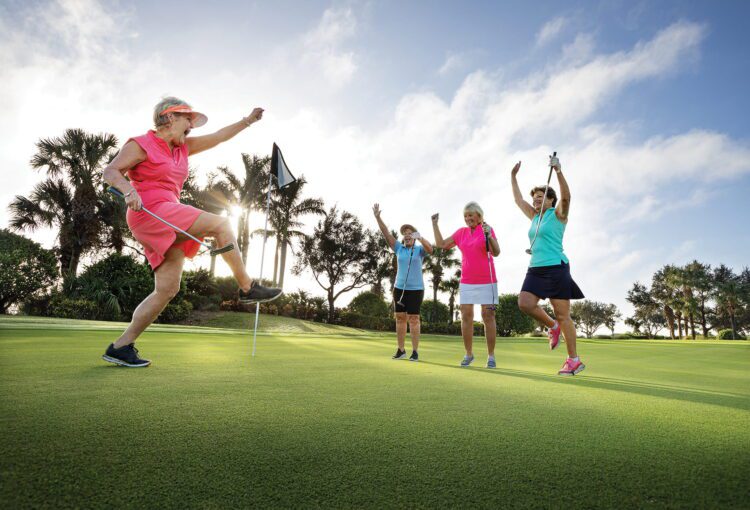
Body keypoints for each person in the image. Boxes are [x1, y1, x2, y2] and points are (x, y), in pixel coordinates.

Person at [101, 97, 282, 367]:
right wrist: (129, 190)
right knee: (221, 224)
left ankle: (120, 346)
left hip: (169, 212)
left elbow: (219, 136)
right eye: (188, 120)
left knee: (167, 289)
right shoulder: (141, 144)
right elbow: (111, 171)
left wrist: (248, 121)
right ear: (169, 117)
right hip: (149, 211)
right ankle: (247, 287)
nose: (191, 127)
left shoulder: (182, 148)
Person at [511, 155, 586, 376]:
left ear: (551, 200)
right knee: (525, 303)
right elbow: (517, 200)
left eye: (541, 197)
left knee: (563, 315)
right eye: (534, 198)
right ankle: (552, 327)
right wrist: (513, 177)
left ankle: (574, 360)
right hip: (535, 268)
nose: (535, 201)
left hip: (556, 268)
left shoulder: (558, 215)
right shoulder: (534, 217)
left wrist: (559, 171)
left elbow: (567, 197)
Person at [431, 202, 500, 368]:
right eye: (466, 216)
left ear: (479, 216)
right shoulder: (461, 233)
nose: (468, 218)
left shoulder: (487, 229)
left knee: (488, 316)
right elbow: (441, 244)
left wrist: (489, 235)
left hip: (487, 279)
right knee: (466, 316)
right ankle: (469, 354)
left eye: (471, 215)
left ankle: (491, 356)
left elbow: (496, 252)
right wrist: (435, 224)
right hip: (467, 280)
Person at [373, 203, 433, 361]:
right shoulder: (399, 248)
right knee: (400, 318)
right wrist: (378, 217)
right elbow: (386, 233)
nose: (407, 235)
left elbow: (431, 249)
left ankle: (415, 352)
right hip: (399, 289)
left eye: (410, 233)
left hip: (416, 289)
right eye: (405, 233)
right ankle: (401, 350)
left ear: (414, 235)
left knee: (414, 319)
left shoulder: (419, 250)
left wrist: (420, 237)